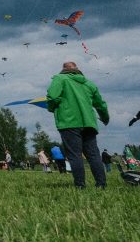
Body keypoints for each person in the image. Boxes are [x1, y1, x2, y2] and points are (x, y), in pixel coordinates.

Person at [46, 61, 109, 189]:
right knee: (93, 155)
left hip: (69, 122)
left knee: (74, 155)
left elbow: (52, 97)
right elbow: (100, 104)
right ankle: (101, 184)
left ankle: (80, 185)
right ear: (78, 70)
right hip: (89, 123)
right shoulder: (88, 83)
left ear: (63, 70)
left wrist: (52, 108)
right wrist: (105, 118)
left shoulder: (60, 78)